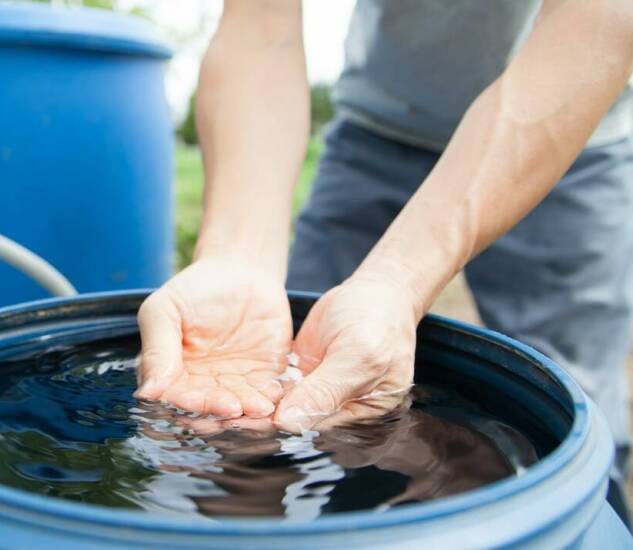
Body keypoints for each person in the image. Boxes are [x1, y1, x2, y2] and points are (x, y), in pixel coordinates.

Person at [135, 0, 633, 518]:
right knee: (290, 379)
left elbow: (598, 25)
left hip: (570, 134)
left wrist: (397, 282)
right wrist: (235, 257)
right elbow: (262, 26)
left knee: (572, 421)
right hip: (377, 130)